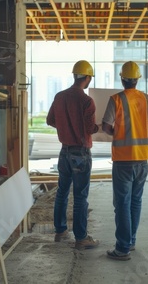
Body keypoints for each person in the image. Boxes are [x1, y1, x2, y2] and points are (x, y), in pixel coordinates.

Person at [102, 61, 148, 261]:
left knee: (122, 203)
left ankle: (122, 248)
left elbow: (106, 127)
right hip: (142, 159)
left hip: (123, 159)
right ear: (137, 79)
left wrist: (119, 131)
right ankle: (131, 240)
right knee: (135, 201)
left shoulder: (116, 99)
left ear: (122, 78)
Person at [46, 60, 100, 250]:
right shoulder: (87, 101)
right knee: (80, 196)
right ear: (87, 78)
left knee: (62, 192)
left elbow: (50, 120)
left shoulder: (60, 97)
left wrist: (65, 126)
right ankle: (81, 238)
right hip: (81, 153)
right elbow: (90, 128)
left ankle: (60, 231)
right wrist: (98, 127)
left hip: (64, 151)